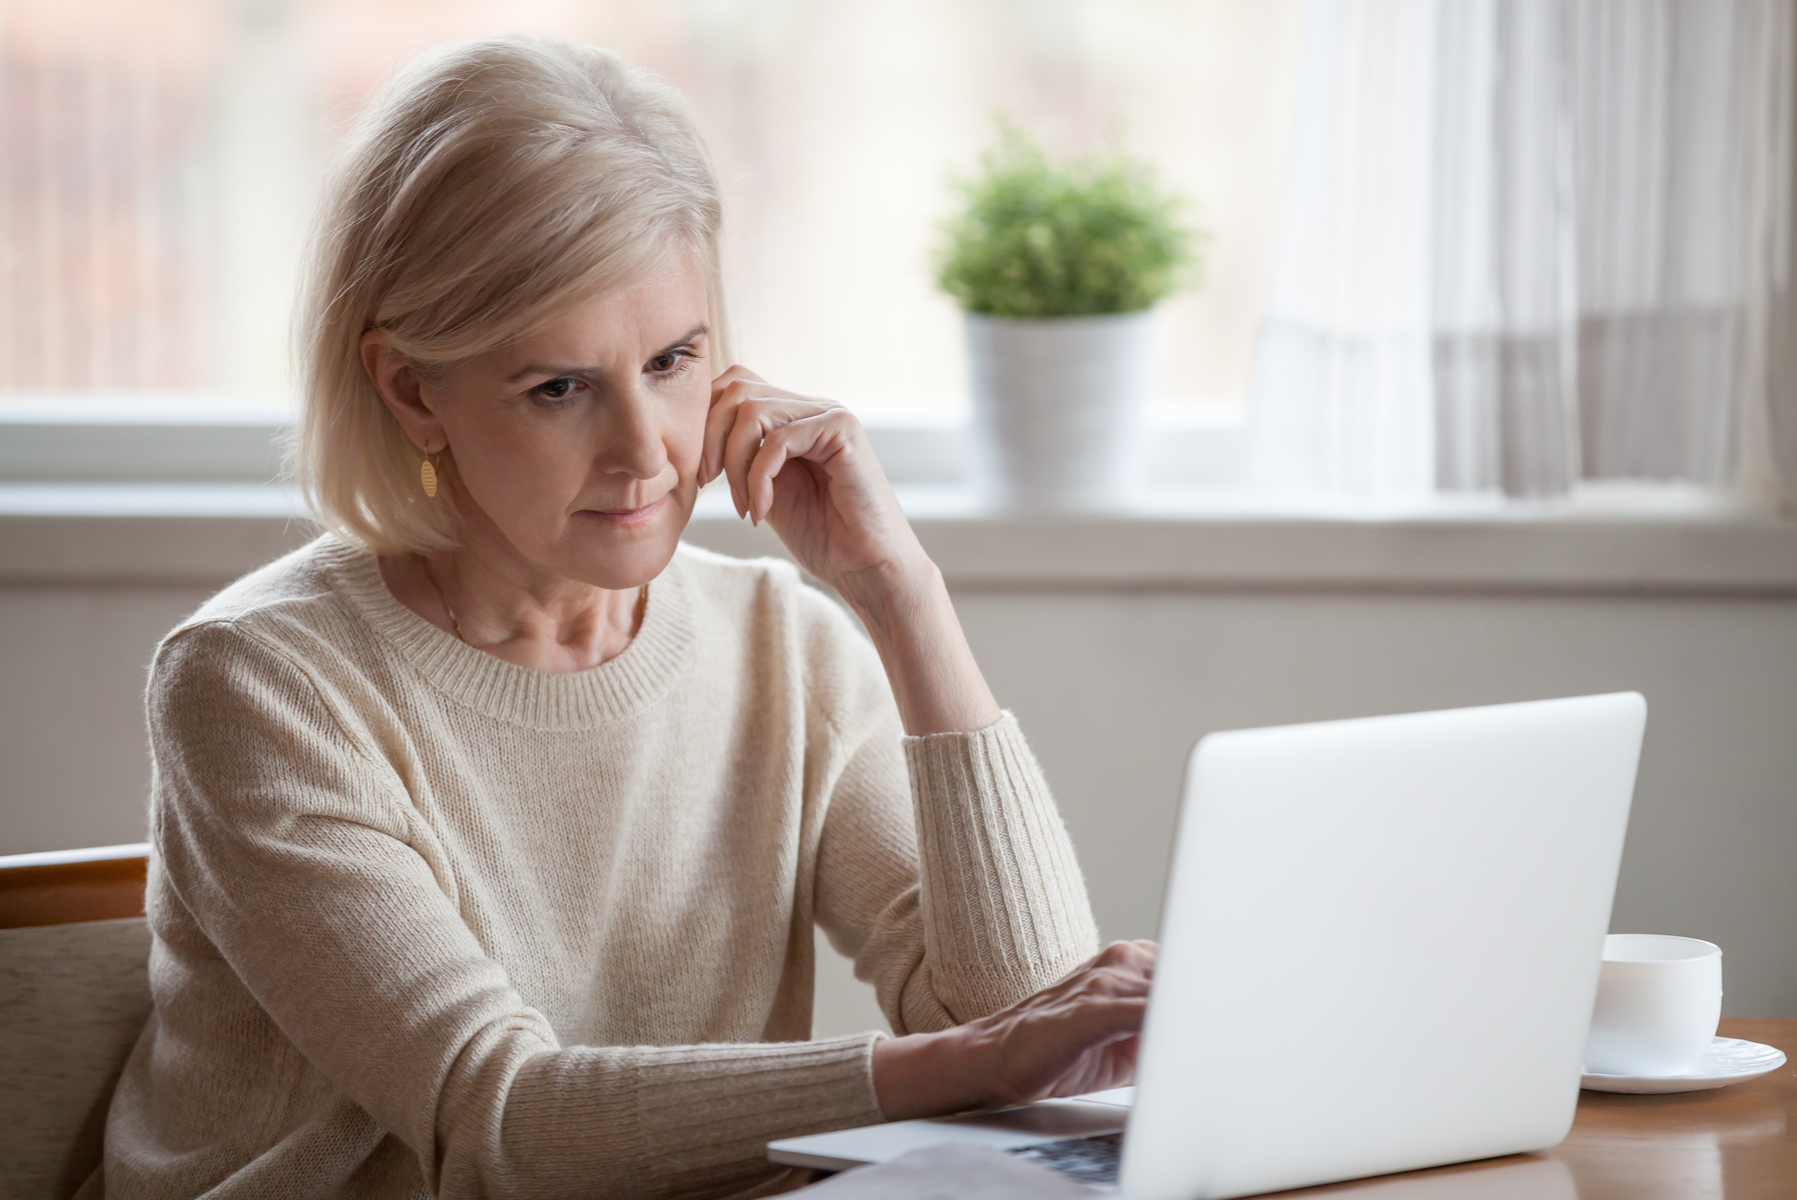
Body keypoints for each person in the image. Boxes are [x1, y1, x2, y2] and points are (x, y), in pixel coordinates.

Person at [92, 34, 1155, 1200]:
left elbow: (1042, 1048)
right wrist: (959, 1065)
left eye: (672, 359)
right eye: (560, 387)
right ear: (409, 389)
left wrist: (902, 594)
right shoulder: (256, 685)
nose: (648, 452)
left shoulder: (779, 645)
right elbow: (499, 1124)